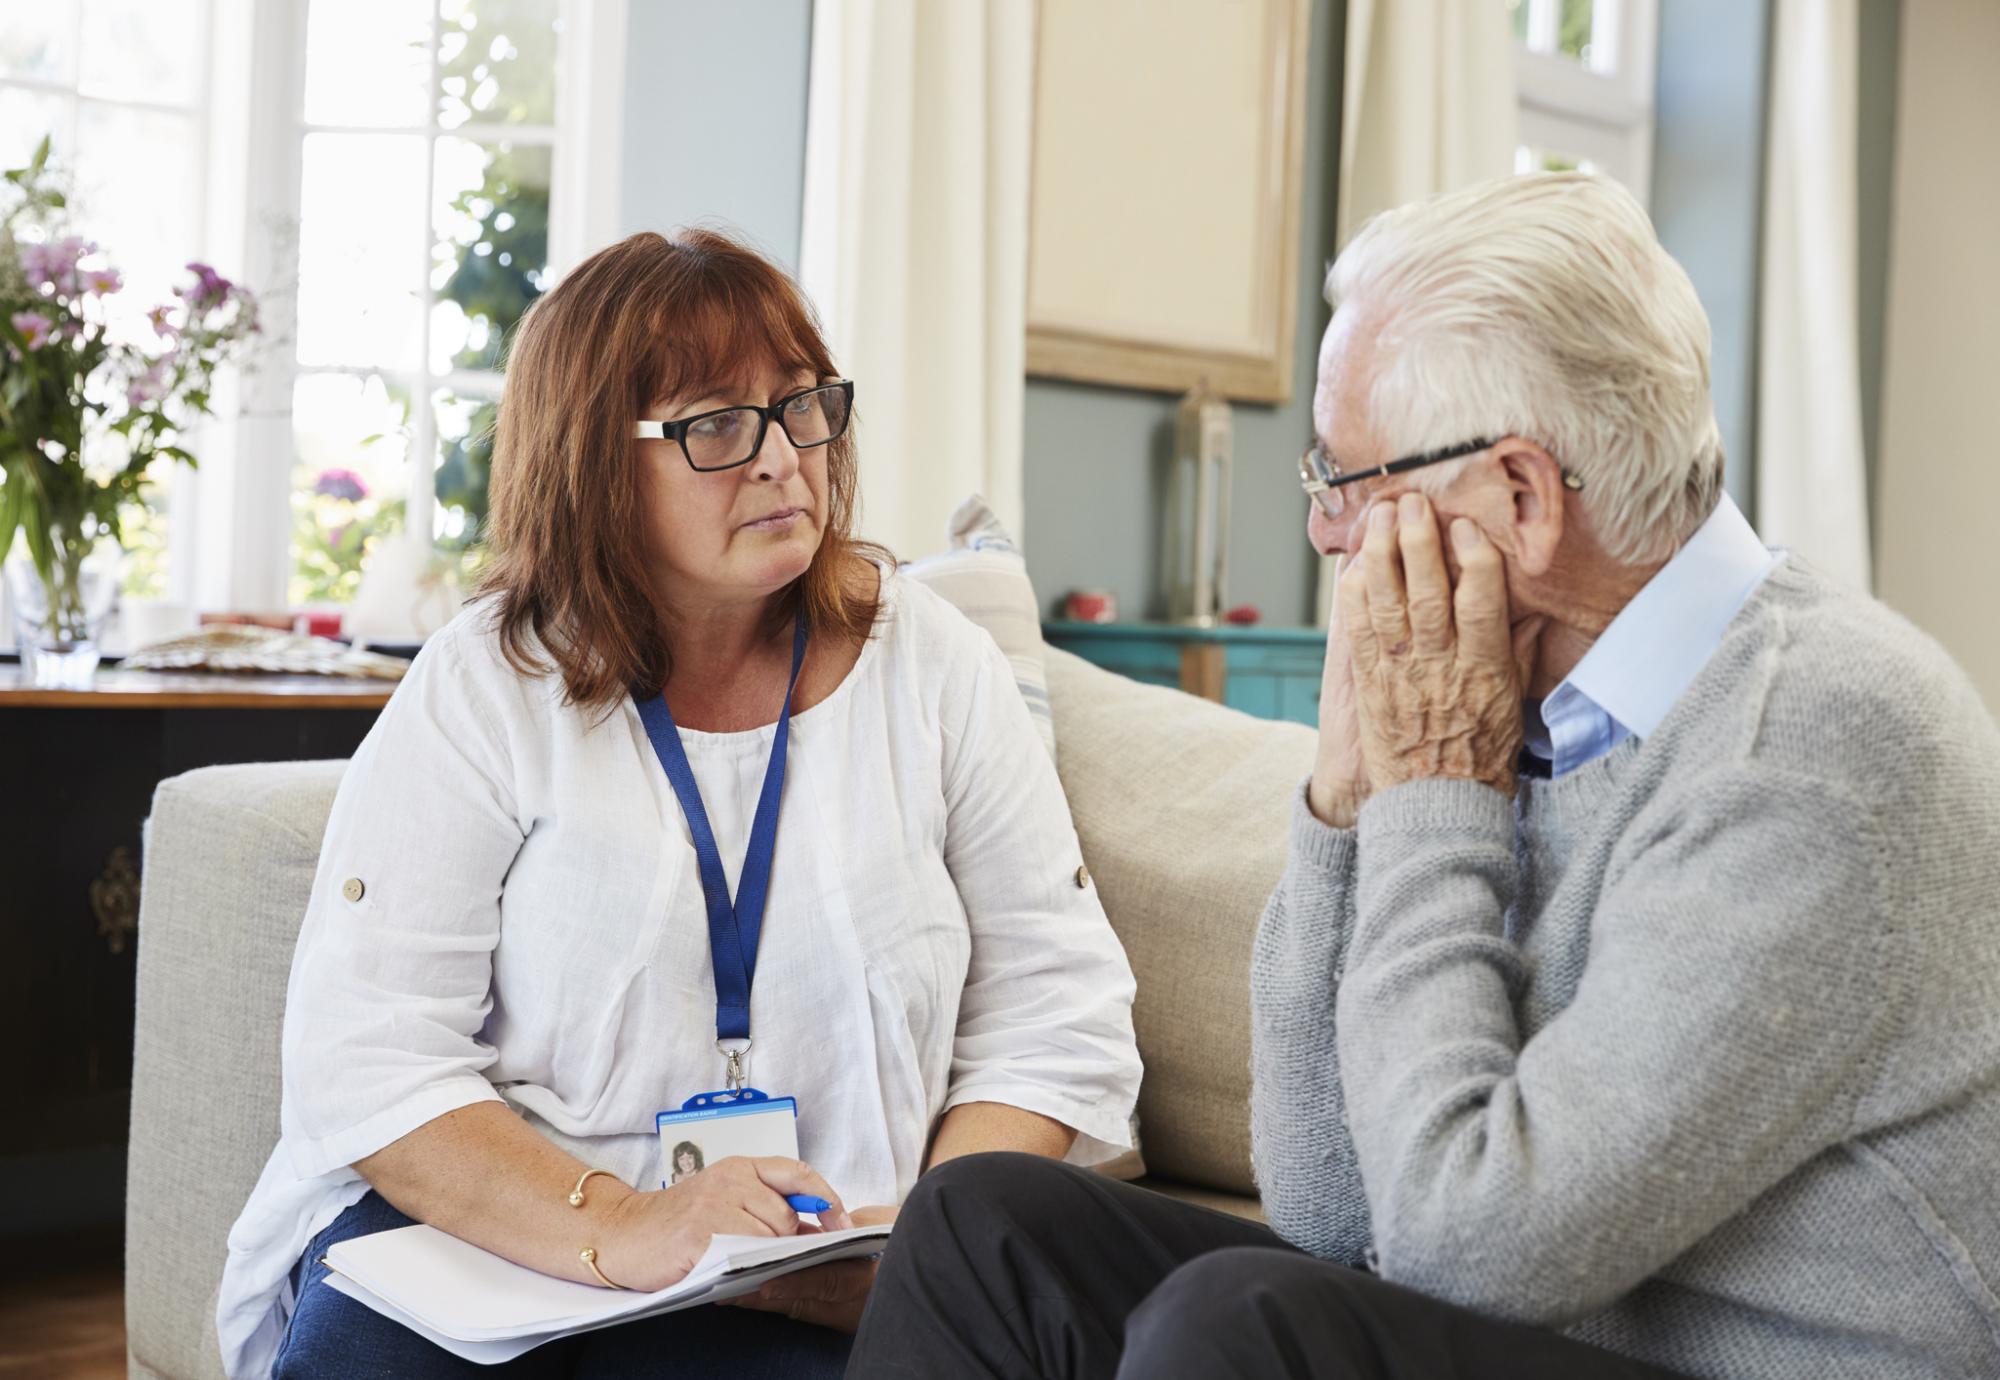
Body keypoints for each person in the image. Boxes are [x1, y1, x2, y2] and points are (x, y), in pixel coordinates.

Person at [845, 172, 2000, 1380]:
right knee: (982, 1225)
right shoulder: (1527, 694)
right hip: (1543, 1325)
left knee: (1240, 1323)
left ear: (1519, 496)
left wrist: (1431, 797)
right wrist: (1341, 808)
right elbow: (1326, 1203)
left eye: (1342, 478)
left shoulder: (1807, 753)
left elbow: (1469, 1251)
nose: (1321, 530)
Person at [215, 229, 1141, 1379]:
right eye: (715, 425)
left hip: (829, 1264)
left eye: (800, 406)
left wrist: (927, 1255)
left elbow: (1055, 1013)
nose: (781, 458)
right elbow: (370, 1055)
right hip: (505, 1243)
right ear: (591, 464)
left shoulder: (932, 664)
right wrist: (622, 1223)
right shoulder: (485, 684)